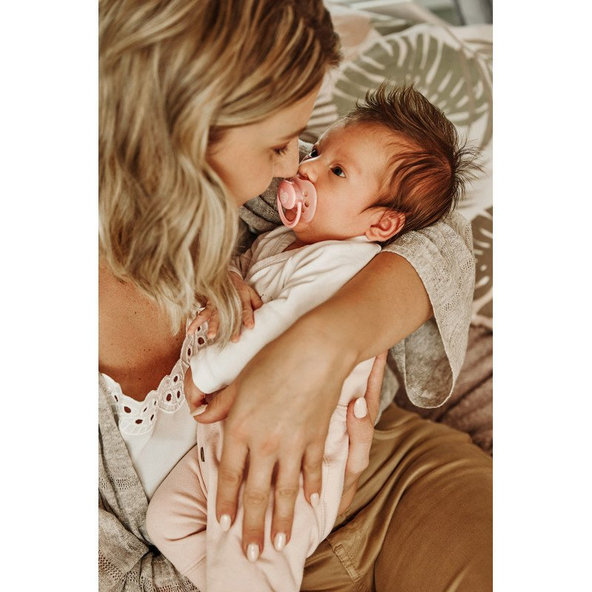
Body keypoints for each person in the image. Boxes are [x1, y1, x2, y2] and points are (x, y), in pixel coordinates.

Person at [99, 1, 492, 590]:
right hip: (232, 545)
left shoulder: (274, 204)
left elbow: (436, 231)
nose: (295, 168)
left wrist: (320, 346)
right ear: (180, 140)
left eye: (307, 149)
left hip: (391, 475)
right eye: (282, 144)